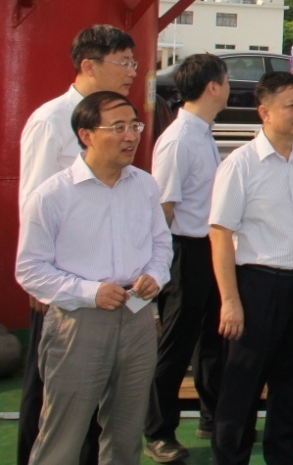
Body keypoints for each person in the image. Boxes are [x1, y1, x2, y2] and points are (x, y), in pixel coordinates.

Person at [16, 91, 171, 465]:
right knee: (62, 436)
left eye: (134, 125)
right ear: (86, 135)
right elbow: (30, 269)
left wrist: (154, 275)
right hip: (78, 323)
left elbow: (161, 244)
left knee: (126, 435)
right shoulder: (52, 196)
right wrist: (90, 292)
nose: (131, 136)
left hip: (137, 318)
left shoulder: (145, 185)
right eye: (118, 127)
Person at [17, 24, 137, 465]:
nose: (133, 72)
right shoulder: (51, 120)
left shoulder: (121, 122)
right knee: (50, 400)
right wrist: (43, 284)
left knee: (101, 404)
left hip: (112, 291)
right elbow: (33, 201)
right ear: (89, 65)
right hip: (66, 290)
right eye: (124, 62)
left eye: (134, 62)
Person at [209, 72, 293, 465]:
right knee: (242, 385)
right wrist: (230, 300)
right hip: (260, 287)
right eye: (291, 106)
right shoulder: (241, 165)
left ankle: (284, 456)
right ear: (264, 113)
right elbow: (220, 234)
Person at [145, 54, 229, 462]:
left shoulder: (201, 133)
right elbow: (163, 208)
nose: (227, 88)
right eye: (225, 81)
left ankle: (213, 417)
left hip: (209, 248)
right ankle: (158, 432)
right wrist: (160, 266)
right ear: (212, 87)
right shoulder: (178, 140)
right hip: (184, 252)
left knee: (213, 339)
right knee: (176, 344)